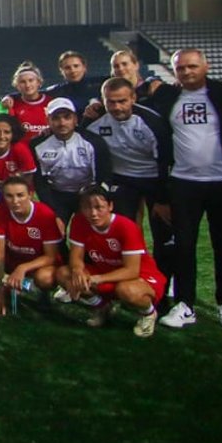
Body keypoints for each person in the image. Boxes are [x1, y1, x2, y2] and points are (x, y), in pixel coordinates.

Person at [150, 48, 222, 331]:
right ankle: (185, 304)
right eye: (181, 68)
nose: (187, 72)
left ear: (206, 66)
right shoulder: (167, 96)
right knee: (183, 245)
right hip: (184, 183)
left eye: (192, 66)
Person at [84, 77, 174, 294]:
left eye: (122, 101)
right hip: (122, 180)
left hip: (154, 179)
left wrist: (163, 199)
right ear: (103, 100)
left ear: (133, 98)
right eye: (111, 102)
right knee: (122, 231)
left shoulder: (152, 122)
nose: (117, 107)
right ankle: (124, 276)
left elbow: (166, 162)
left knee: (163, 233)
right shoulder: (96, 123)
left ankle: (164, 282)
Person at [57, 185, 165, 338]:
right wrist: (77, 270)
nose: (93, 213)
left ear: (110, 206)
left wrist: (98, 279)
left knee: (126, 290)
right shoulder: (79, 221)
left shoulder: (126, 226)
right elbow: (76, 256)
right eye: (87, 208)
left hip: (140, 275)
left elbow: (132, 270)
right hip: (105, 271)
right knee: (64, 274)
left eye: (99, 207)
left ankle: (149, 313)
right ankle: (102, 307)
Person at [29, 97, 113, 225]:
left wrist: (97, 198)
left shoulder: (94, 142)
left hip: (87, 193)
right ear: (48, 120)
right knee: (54, 228)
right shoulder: (37, 145)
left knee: (92, 229)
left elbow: (104, 173)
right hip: (56, 195)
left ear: (75, 119)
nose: (62, 123)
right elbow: (39, 181)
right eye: (56, 118)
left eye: (67, 117)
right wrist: (52, 209)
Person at [0, 175, 63, 316]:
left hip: (37, 264)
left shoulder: (45, 214)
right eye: (9, 196)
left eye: (20, 195)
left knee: (45, 278)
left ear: (31, 194)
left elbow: (51, 256)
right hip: (12, 260)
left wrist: (23, 268)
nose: (15, 201)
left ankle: (39, 291)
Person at [43, 50, 103, 116]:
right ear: (61, 71)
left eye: (76, 66)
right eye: (67, 68)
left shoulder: (102, 84)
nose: (72, 70)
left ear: (84, 67)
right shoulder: (56, 91)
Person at [5, 63, 51, 146]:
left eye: (31, 80)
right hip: (22, 150)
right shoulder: (12, 104)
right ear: (16, 85)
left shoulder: (51, 102)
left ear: (39, 82)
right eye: (22, 82)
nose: (27, 85)